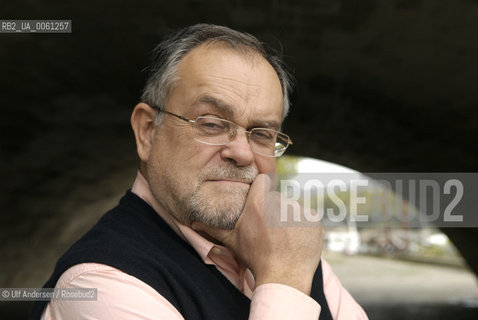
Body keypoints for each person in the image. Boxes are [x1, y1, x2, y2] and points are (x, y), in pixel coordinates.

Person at [30, 24, 368, 320]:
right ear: (148, 131)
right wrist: (285, 282)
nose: (241, 152)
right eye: (211, 124)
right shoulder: (99, 284)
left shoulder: (285, 248)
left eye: (262, 134)